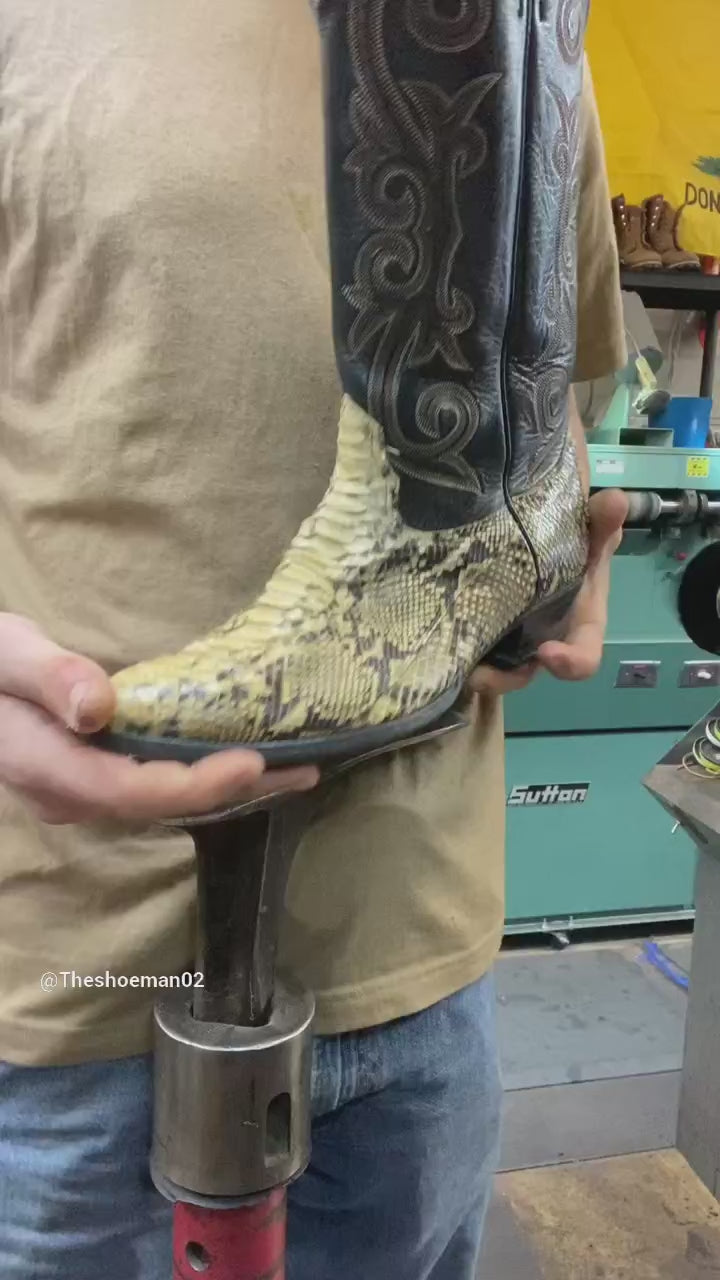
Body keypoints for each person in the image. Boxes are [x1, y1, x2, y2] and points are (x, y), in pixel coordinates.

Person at [0, 2, 627, 1276]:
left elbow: (547, 395)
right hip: (83, 984)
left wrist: (560, 544)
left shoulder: (525, 22)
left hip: (424, 966)